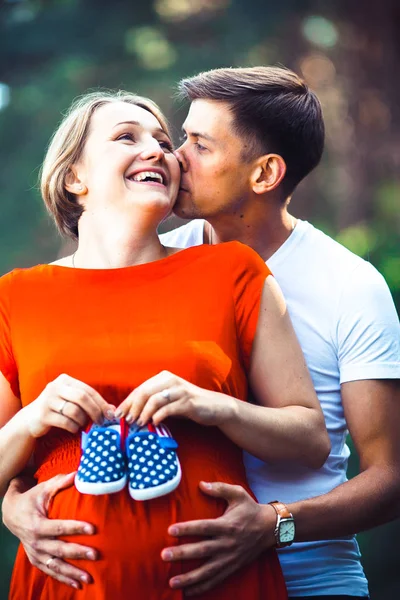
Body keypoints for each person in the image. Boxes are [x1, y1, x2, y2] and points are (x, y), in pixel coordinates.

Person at [4, 67, 399, 600]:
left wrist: (272, 523)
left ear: (263, 175)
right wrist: (14, 501)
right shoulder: (130, 258)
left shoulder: (335, 284)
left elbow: (383, 474)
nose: (171, 156)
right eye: (172, 139)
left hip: (305, 570)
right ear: (74, 174)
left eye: (193, 145)